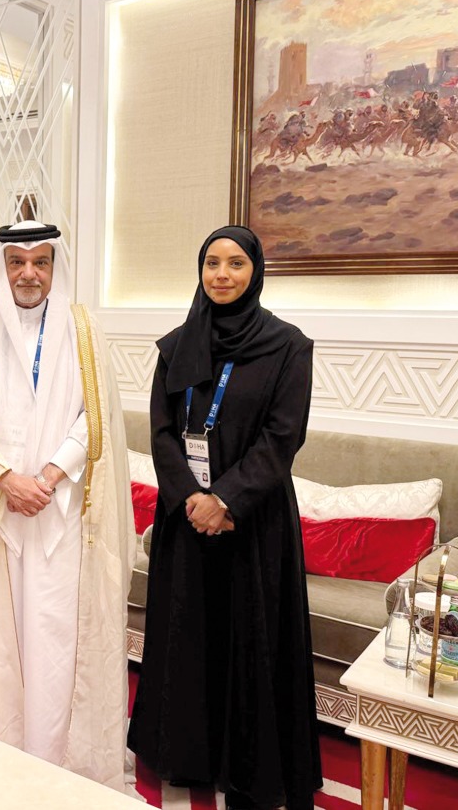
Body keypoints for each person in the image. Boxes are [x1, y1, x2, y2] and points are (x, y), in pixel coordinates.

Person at [0, 221, 134, 791]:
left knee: (55, 636)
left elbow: (99, 412)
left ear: (55, 266)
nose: (29, 274)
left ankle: (53, 761)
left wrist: (49, 474)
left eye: (41, 262)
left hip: (59, 515)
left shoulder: (84, 329)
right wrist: (5, 479)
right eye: (17, 262)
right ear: (1, 266)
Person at [128, 226, 321, 810]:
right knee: (187, 637)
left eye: (236, 264)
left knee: (248, 640)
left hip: (253, 524)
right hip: (185, 520)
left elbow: (283, 438)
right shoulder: (175, 347)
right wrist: (190, 497)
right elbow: (162, 434)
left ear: (256, 272)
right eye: (212, 263)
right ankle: (186, 755)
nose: (221, 275)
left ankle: (247, 766)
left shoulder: (288, 346)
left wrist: (227, 500)